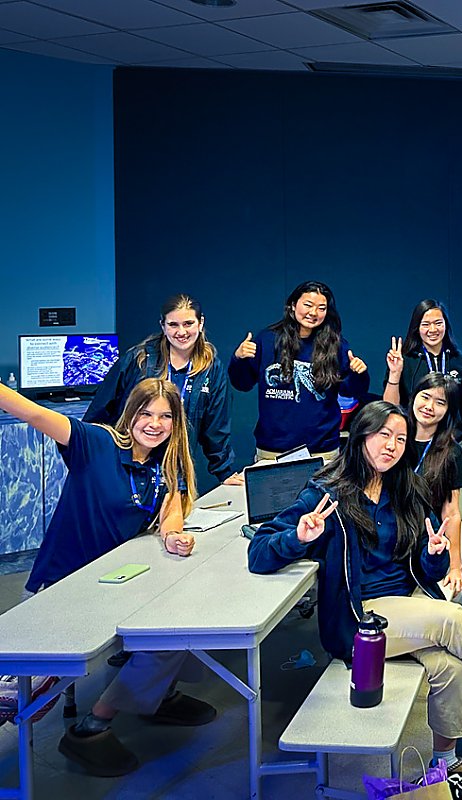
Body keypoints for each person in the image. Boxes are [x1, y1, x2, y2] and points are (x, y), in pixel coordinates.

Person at [247, 401, 462, 800]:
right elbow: (259, 553)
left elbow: (424, 569)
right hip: (361, 617)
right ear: (361, 436)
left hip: (407, 606)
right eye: (383, 435)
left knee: (452, 667)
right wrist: (296, 538)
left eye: (401, 438)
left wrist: (433, 556)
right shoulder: (327, 491)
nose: (392, 446)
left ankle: (446, 763)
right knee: (452, 617)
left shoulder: (405, 489)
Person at [1, 378, 213, 777]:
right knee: (17, 690)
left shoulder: (166, 465)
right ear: (130, 414)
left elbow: (171, 510)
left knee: (187, 623)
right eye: (146, 413)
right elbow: (30, 411)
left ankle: (157, 697)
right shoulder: (94, 443)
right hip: (65, 589)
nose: (155, 423)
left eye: (165, 416)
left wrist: (174, 536)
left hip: (116, 585)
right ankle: (91, 729)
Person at [86, 294, 238, 486]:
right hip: (128, 468)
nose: (181, 332)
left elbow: (216, 427)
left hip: (175, 472)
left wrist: (224, 472)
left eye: (188, 323)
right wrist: (92, 458)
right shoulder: (138, 360)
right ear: (163, 326)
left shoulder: (211, 369)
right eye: (173, 324)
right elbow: (100, 412)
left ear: (200, 324)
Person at [228, 280, 368, 462]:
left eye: (321, 308)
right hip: (272, 452)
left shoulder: (336, 345)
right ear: (293, 305)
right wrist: (239, 359)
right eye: (308, 305)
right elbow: (242, 383)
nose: (313, 313)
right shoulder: (268, 340)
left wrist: (359, 373)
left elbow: (352, 391)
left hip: (322, 452)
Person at [384, 371, 462, 600]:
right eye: (425, 396)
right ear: (414, 397)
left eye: (440, 402)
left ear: (448, 410)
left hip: (426, 543)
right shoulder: (393, 440)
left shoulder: (450, 453)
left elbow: (451, 513)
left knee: (454, 601)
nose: (429, 406)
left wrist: (455, 566)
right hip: (386, 537)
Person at [387, 299, 462, 474]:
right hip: (413, 447)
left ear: (446, 325)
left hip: (453, 446)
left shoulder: (460, 362)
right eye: (426, 324)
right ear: (417, 327)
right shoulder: (406, 361)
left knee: (454, 500)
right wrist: (395, 374)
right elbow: (390, 407)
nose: (433, 330)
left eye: (438, 323)